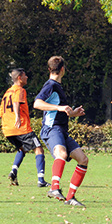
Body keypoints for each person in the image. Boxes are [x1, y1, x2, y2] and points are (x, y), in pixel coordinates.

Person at [34, 56, 88, 207]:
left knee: (83, 159)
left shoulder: (57, 86)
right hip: (52, 129)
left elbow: (59, 109)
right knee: (61, 154)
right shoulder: (50, 85)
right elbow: (37, 103)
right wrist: (59, 108)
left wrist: (73, 113)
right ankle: (54, 187)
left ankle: (70, 197)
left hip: (62, 130)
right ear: (62, 69)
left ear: (49, 69)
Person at [0, 68, 50, 187]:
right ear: (19, 78)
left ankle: (14, 171)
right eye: (25, 75)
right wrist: (17, 117)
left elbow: (2, 112)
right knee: (39, 149)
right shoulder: (20, 90)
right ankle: (41, 180)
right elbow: (16, 102)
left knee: (22, 149)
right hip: (21, 127)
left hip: (7, 129)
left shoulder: (7, 93)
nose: (27, 77)